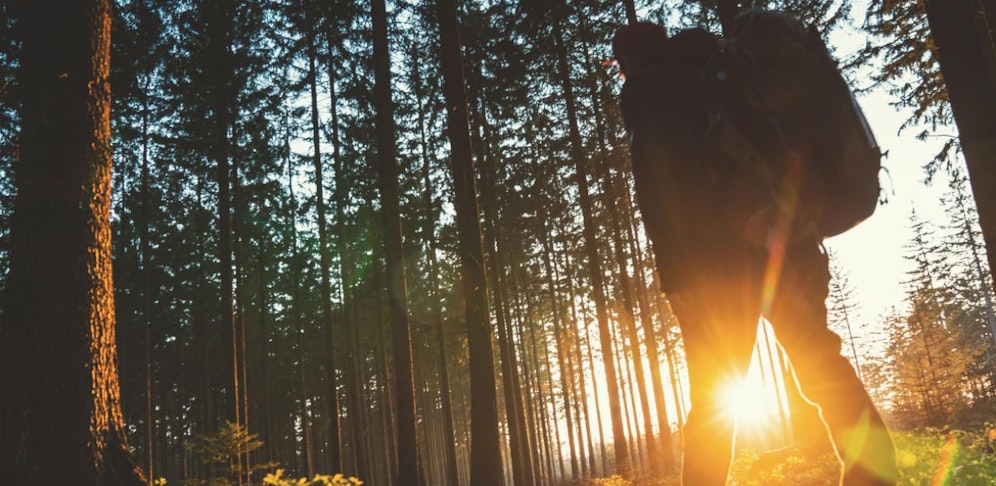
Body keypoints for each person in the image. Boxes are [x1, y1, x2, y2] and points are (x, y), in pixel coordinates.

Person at [612, 18, 898, 486]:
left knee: (711, 401)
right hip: (785, 244)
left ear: (629, 61)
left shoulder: (648, 95)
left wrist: (677, 282)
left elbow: (661, 200)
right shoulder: (721, 69)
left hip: (715, 272)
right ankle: (876, 474)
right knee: (819, 363)